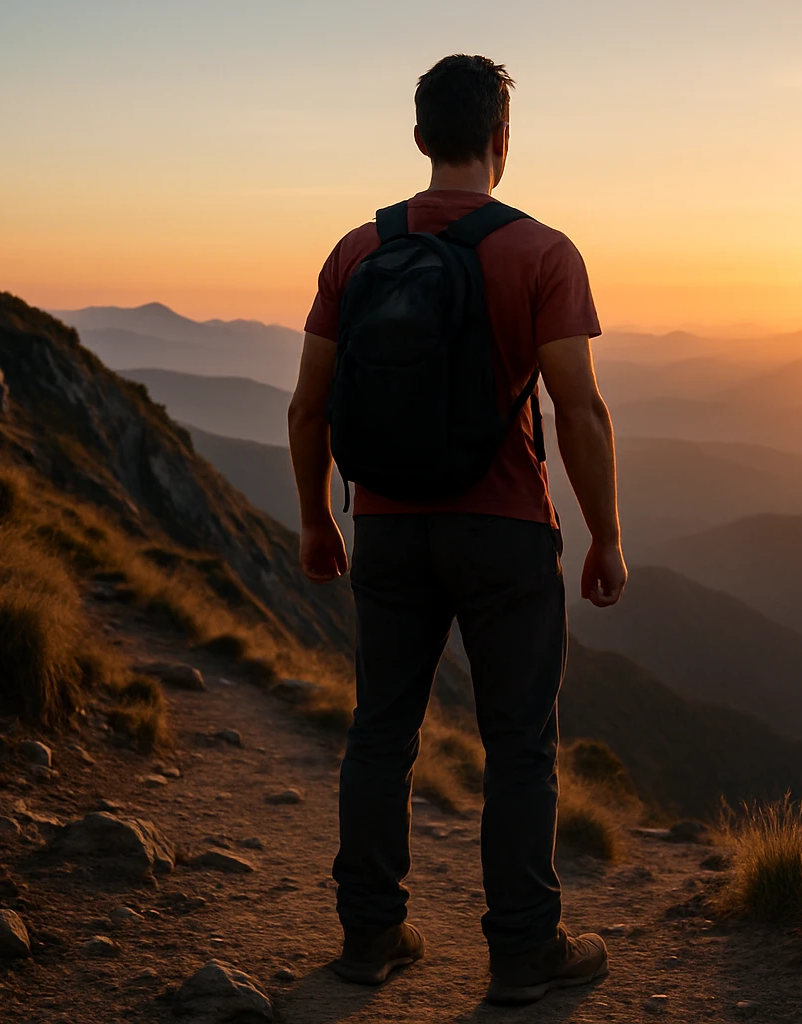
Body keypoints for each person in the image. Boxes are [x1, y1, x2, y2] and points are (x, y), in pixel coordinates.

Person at [286, 54, 627, 1006]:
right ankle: (523, 951)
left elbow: (308, 408)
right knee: (518, 744)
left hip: (387, 529)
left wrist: (316, 520)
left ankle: (370, 936)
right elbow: (580, 410)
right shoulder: (542, 252)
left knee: (380, 730)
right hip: (505, 531)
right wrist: (605, 534)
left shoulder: (357, 250)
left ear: (419, 138)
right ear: (502, 138)